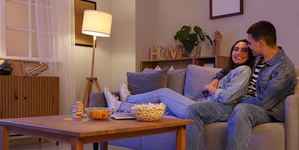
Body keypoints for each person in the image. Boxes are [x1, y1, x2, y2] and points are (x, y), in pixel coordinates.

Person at [182, 21, 297, 150]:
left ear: (260, 43)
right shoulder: (259, 58)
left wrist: (237, 99)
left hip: (266, 111)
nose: (248, 47)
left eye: (250, 43)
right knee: (195, 110)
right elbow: (232, 70)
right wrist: (216, 79)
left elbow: (263, 103)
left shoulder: (284, 69)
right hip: (239, 105)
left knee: (243, 109)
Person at [104, 39, 255, 120]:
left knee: (162, 93)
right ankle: (119, 105)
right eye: (236, 49)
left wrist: (210, 88)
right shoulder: (230, 71)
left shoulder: (245, 70)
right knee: (158, 108)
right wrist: (214, 81)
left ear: (250, 54)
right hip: (200, 105)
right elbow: (221, 77)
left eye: (244, 50)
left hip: (200, 108)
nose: (239, 53)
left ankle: (127, 99)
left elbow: (230, 97)